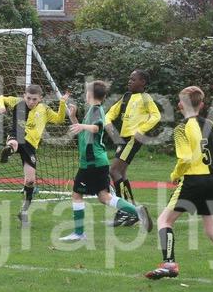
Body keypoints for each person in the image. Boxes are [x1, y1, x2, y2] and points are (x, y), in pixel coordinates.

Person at [145, 86, 213, 282]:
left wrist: (175, 174)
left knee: (164, 221)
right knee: (212, 229)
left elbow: (185, 158)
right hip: (211, 180)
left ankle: (169, 264)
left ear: (181, 105)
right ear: (201, 104)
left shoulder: (181, 129)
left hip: (193, 181)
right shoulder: (210, 124)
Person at [60, 81, 152, 241]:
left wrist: (81, 125)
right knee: (104, 197)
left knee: (76, 195)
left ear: (90, 94)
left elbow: (96, 128)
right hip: (98, 162)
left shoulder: (96, 110)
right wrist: (74, 118)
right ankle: (137, 211)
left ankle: (79, 233)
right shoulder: (93, 110)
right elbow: (84, 132)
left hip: (91, 163)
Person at [0, 84, 69, 226]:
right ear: (24, 96)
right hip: (17, 136)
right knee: (14, 143)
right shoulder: (17, 102)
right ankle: (8, 151)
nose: (30, 101)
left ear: (40, 98)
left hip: (30, 146)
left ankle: (23, 212)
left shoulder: (44, 109)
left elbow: (59, 119)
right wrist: (1, 107)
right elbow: (0, 98)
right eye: (28, 98)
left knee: (30, 181)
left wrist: (62, 103)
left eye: (34, 99)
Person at [105, 69, 161, 227]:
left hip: (132, 139)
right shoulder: (126, 97)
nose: (129, 81)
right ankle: (131, 210)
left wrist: (141, 130)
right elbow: (109, 114)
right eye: (129, 79)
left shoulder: (146, 98)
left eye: (133, 79)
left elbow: (156, 116)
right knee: (121, 173)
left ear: (142, 82)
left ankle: (126, 211)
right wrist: (109, 125)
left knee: (114, 171)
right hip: (124, 139)